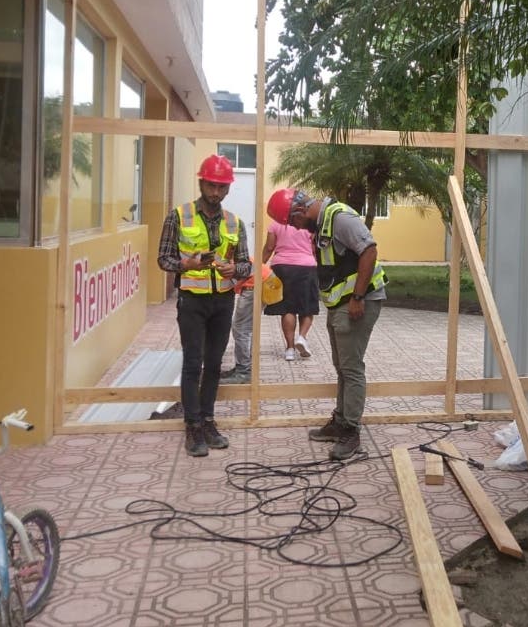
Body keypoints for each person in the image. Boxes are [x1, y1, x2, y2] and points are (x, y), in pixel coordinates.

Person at [266, 188, 387, 460]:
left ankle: (351, 431)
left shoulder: (340, 218)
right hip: (341, 303)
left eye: (293, 222)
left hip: (359, 302)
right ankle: (340, 421)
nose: (297, 228)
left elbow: (369, 251)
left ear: (299, 211)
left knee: (351, 368)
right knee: (341, 366)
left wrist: (358, 297)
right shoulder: (323, 224)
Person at [157, 154, 251, 458]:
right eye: (211, 185)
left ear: (228, 188)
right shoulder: (178, 216)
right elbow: (163, 258)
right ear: (201, 183)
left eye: (222, 187)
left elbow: (246, 265)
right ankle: (193, 425)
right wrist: (185, 264)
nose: (216, 192)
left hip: (222, 301)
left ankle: (208, 421)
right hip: (192, 301)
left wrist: (234, 270)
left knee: (213, 364)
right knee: (192, 363)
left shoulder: (234, 222)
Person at [260, 218, 320, 361]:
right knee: (307, 307)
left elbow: (269, 247)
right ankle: (302, 337)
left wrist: (259, 264)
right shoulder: (309, 223)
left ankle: (290, 349)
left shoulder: (276, 224)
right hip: (307, 267)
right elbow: (315, 248)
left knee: (287, 308)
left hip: (282, 268)